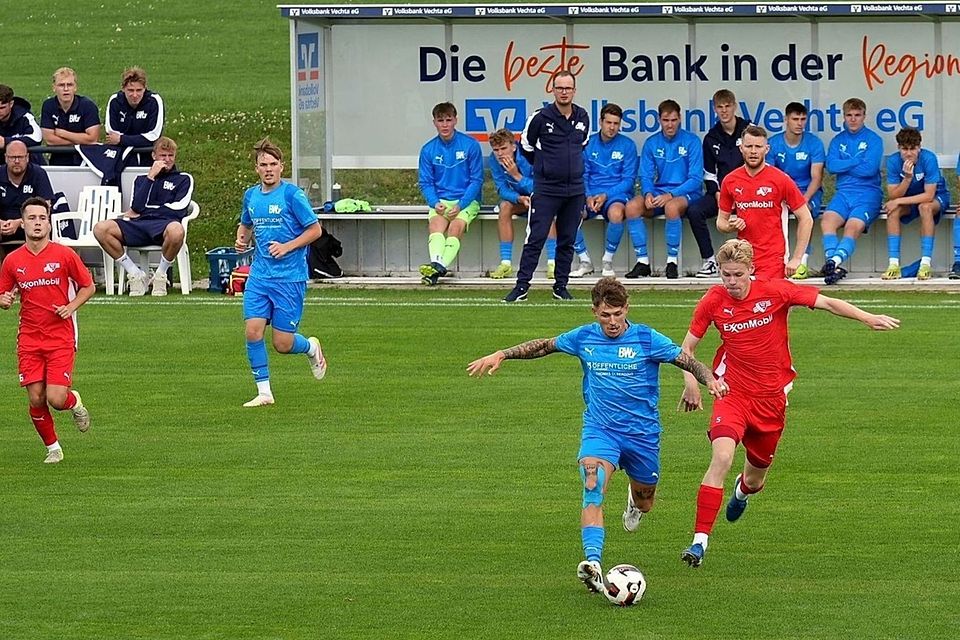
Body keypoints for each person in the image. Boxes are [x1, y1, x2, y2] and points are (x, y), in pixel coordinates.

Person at [468, 277, 726, 592]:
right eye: (606, 315)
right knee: (592, 484)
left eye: (618, 314)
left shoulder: (647, 339)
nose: (613, 322)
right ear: (595, 312)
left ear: (626, 309)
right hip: (600, 431)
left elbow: (686, 360)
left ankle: (635, 499)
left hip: (642, 436)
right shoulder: (584, 338)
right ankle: (593, 563)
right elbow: (545, 345)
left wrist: (709, 380)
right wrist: (503, 354)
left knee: (646, 502)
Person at [676, 239, 899, 568]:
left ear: (751, 269)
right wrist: (692, 382)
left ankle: (741, 492)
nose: (732, 282)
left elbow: (827, 303)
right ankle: (699, 542)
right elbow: (687, 350)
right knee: (721, 457)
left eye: (738, 274)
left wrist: (866, 317)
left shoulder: (775, 290)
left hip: (770, 402)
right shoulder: (713, 300)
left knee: (754, 480)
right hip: (731, 394)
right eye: (726, 275)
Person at [0, 197, 95, 464]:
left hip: (60, 336)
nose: (38, 223)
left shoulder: (64, 255)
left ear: (49, 223)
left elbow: (88, 286)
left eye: (42, 218)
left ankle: (74, 401)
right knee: (36, 396)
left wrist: (71, 306)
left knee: (55, 397)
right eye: (32, 218)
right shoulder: (12, 260)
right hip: (29, 338)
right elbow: (3, 293)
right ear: (23, 224)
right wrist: (4, 300)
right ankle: (53, 448)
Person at [234, 138, 327, 407]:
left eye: (273, 164)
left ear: (281, 167)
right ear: (256, 168)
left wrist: (287, 246)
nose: (269, 169)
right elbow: (246, 225)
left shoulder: (292, 195)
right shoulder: (251, 196)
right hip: (260, 276)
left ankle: (310, 347)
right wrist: (241, 239)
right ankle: (264, 392)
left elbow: (315, 230)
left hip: (289, 278)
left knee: (283, 344)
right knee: (252, 331)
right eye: (263, 165)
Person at [504, 70, 590, 302]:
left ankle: (560, 287)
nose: (564, 92)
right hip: (546, 189)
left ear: (574, 90)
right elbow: (526, 147)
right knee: (536, 237)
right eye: (559, 88)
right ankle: (521, 286)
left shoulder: (583, 116)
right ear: (552, 90)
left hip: (574, 190)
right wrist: (546, 168)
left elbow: (581, 145)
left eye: (568, 88)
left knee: (568, 239)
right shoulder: (540, 117)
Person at [92, 136, 194, 296]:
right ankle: (135, 273)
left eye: (170, 156)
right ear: (154, 156)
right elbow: (137, 206)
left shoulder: (184, 179)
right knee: (101, 228)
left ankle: (160, 275)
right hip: (139, 225)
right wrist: (150, 177)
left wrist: (148, 211)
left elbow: (178, 208)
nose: (167, 160)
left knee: (177, 230)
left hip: (164, 225)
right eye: (163, 156)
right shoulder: (141, 180)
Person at [717, 125, 814, 279]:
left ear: (766, 149)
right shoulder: (730, 180)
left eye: (758, 146)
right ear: (741, 148)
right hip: (743, 258)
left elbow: (806, 218)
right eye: (749, 146)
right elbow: (721, 222)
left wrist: (797, 258)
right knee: (744, 302)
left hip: (773, 258)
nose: (753, 151)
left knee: (769, 301)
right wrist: (730, 226)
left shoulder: (781, 179)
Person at [627, 99, 703, 279]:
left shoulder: (691, 141)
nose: (670, 125)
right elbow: (645, 175)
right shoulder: (651, 143)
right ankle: (643, 262)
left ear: (680, 119)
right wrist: (648, 193)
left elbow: (695, 179)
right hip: (660, 193)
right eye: (666, 120)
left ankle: (672, 262)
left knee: (671, 207)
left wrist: (671, 195)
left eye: (674, 120)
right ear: (659, 120)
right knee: (632, 207)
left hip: (686, 193)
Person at [417, 102, 483, 286]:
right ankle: (437, 266)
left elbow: (476, 180)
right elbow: (426, 182)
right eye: (440, 120)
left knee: (456, 228)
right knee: (436, 226)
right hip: (441, 200)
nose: (445, 124)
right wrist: (434, 202)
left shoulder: (470, 145)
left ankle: (437, 268)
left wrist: (461, 204)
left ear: (455, 120)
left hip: (466, 201)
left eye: (448, 120)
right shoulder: (428, 149)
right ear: (434, 123)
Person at [685, 89, 749, 279]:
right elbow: (709, 173)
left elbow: (757, 164)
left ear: (734, 106)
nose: (724, 111)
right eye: (720, 107)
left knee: (756, 211)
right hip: (722, 194)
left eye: (727, 106)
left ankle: (750, 263)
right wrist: (718, 194)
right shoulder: (711, 137)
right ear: (714, 109)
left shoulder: (748, 130)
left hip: (747, 193)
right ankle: (710, 261)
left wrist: (742, 194)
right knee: (695, 211)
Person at [820, 98, 883, 285]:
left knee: (852, 226)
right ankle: (834, 264)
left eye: (857, 115)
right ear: (843, 117)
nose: (853, 119)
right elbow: (831, 166)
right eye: (849, 115)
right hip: (844, 193)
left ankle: (833, 261)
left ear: (864, 116)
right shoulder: (838, 140)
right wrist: (856, 161)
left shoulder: (874, 139)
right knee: (827, 220)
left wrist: (844, 165)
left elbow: (870, 169)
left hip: (868, 193)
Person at [571, 103, 638, 279]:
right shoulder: (588, 143)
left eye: (616, 123)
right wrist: (587, 196)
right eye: (608, 122)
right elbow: (581, 174)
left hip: (615, 195)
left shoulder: (628, 145)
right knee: (570, 213)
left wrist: (606, 195)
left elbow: (629, 180)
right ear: (600, 122)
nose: (612, 127)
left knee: (616, 213)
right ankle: (585, 261)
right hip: (590, 194)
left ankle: (607, 261)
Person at [487, 128, 557, 280]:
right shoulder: (494, 160)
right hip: (521, 200)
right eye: (496, 150)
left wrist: (516, 175)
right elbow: (501, 189)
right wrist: (519, 198)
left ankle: (553, 262)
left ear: (514, 146)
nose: (500, 153)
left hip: (543, 196)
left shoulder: (528, 156)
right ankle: (505, 263)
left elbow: (541, 187)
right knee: (505, 206)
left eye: (503, 148)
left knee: (545, 206)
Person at [766, 102, 825, 280]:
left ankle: (802, 262)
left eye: (803, 119)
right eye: (795, 119)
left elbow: (817, 177)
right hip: (781, 192)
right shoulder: (774, 143)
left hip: (807, 191)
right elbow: (770, 176)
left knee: (805, 212)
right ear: (786, 120)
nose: (799, 123)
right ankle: (774, 260)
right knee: (769, 212)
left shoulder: (814, 143)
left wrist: (804, 198)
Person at [881, 127, 948, 281]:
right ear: (899, 148)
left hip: (937, 196)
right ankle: (893, 264)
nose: (909, 153)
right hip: (910, 198)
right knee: (893, 211)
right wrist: (907, 178)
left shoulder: (928, 158)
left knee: (924, 207)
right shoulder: (893, 161)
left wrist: (897, 200)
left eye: (913, 148)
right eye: (905, 149)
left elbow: (929, 195)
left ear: (919, 147)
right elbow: (893, 194)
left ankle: (925, 264)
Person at [0, 140, 55, 259]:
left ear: (27, 157)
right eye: (12, 157)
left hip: (30, 224)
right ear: (5, 158)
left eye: (20, 157)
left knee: (43, 226)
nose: (16, 161)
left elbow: (46, 208)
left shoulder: (38, 173)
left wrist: (20, 223)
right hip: (3, 225)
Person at [104, 66, 165, 167]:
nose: (135, 95)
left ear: (145, 88)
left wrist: (122, 139)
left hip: (147, 157)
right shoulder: (115, 101)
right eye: (131, 90)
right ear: (123, 89)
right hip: (120, 157)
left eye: (139, 90)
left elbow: (153, 136)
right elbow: (112, 135)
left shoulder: (154, 101)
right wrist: (138, 140)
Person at [40, 67, 101, 166]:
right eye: (61, 85)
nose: (66, 89)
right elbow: (49, 139)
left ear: (75, 87)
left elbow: (92, 139)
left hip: (85, 161)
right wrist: (80, 140)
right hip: (58, 161)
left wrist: (63, 134)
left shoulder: (87, 106)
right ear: (54, 87)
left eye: (69, 85)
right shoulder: (48, 106)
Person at [0, 84, 43, 160]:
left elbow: (37, 137)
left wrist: (5, 142)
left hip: (28, 166)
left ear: (11, 104)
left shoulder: (24, 116)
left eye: (2, 108)